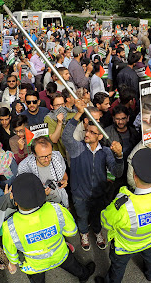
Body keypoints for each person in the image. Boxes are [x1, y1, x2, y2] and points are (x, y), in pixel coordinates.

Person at [2, 173, 96, 282]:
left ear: (15, 200)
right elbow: (71, 231)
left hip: (35, 266)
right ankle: (84, 276)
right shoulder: (56, 209)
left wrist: (8, 203)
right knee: (73, 266)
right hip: (60, 255)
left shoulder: (9, 225)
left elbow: (12, 255)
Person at [95, 148, 151, 283]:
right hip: (150, 239)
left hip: (126, 246)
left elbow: (105, 221)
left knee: (118, 267)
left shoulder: (123, 204)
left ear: (134, 176)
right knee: (150, 258)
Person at [62, 100, 124, 251]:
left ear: (100, 136)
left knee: (96, 216)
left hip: (98, 194)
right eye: (87, 131)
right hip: (80, 194)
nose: (87, 134)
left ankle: (97, 232)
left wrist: (120, 156)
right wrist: (78, 113)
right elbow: (66, 137)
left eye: (92, 132)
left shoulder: (106, 152)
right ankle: (83, 233)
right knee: (82, 217)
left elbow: (117, 172)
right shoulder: (78, 148)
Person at [17, 136, 69, 208]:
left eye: (49, 155)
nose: (47, 159)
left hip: (61, 203)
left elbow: (64, 174)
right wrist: (40, 194)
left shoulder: (57, 157)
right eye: (42, 157)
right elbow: (23, 194)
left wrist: (65, 180)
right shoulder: (25, 167)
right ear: (34, 154)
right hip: (41, 208)